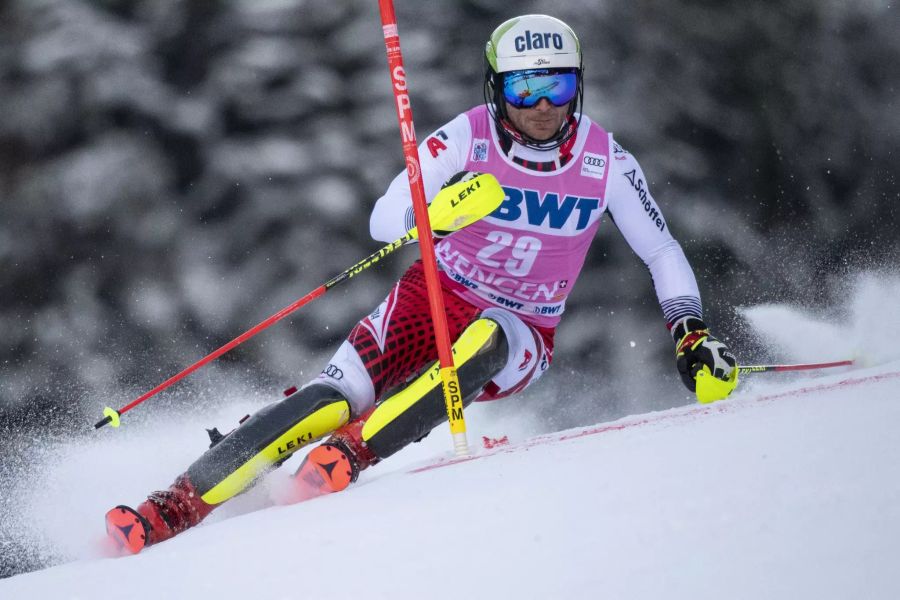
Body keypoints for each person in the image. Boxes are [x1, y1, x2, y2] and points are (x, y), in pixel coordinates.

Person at [105, 14, 738, 554]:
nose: (542, 104)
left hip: (523, 329)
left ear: (579, 84)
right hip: (431, 294)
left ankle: (350, 455)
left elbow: (660, 250)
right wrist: (427, 217)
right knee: (329, 398)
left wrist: (690, 334)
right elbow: (384, 218)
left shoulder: (607, 162)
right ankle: (170, 509)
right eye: (524, 86)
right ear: (498, 88)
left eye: (558, 83)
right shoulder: (465, 137)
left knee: (486, 337)